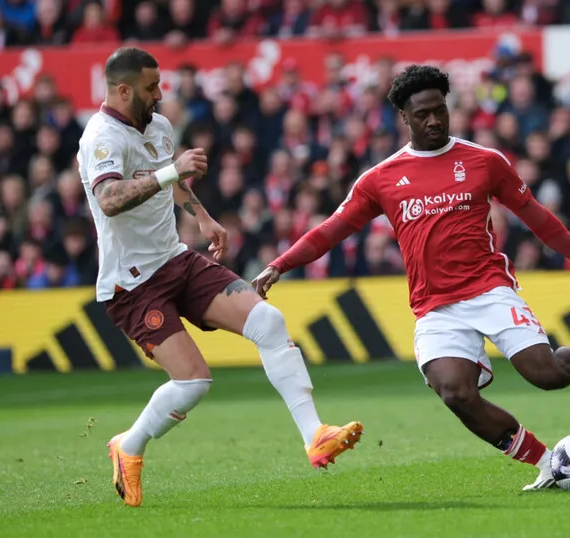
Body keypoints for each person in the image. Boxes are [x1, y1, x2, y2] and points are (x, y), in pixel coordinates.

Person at [252, 65, 570, 491]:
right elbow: (331, 229)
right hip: (435, 307)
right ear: (405, 118)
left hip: (490, 290)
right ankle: (548, 464)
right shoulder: (381, 179)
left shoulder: (484, 161)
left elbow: (538, 219)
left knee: (544, 375)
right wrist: (279, 264)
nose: (433, 120)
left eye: (440, 111)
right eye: (422, 115)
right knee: (455, 393)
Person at [77, 48, 363, 508]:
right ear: (123, 90)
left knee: (268, 323)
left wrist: (203, 218)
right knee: (193, 383)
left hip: (175, 260)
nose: (160, 92)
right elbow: (110, 199)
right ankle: (128, 445)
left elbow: (171, 181)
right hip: (132, 284)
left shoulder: (158, 126)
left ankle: (315, 435)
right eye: (151, 87)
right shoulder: (101, 138)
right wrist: (174, 169)